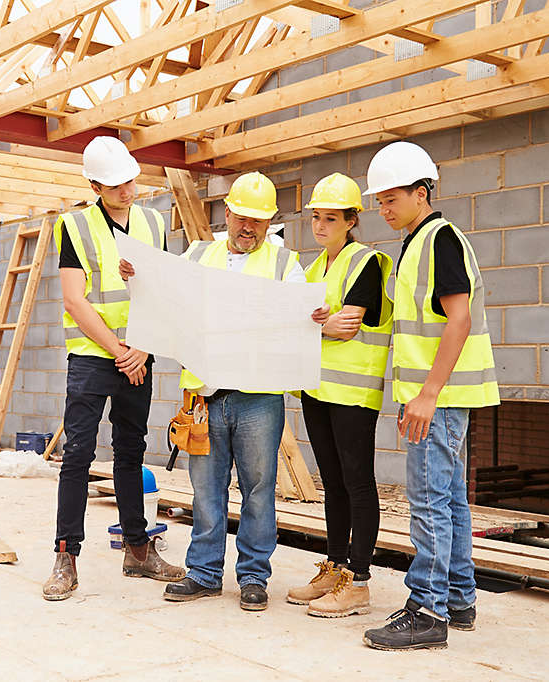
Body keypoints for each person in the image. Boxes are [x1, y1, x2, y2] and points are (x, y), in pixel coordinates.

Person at [124, 172, 306, 611]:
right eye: (243, 218)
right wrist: (137, 280)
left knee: (258, 488)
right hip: (203, 396)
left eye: (259, 222)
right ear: (227, 214)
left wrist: (313, 316)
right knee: (206, 490)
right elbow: (166, 301)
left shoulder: (285, 265)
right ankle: (204, 573)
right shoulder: (197, 254)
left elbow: (300, 319)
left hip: (258, 397)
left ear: (269, 224)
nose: (250, 228)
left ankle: (253, 578)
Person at [359, 142, 500, 650]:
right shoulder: (418, 242)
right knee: (448, 500)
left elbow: (458, 319)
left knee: (429, 503)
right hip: (434, 396)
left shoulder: (439, 239)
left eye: (391, 198)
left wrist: (427, 394)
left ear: (422, 193)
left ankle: (427, 610)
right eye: (379, 201)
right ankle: (458, 599)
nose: (383, 209)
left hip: (436, 398)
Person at [42, 136, 185, 601]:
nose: (127, 189)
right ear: (94, 185)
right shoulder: (74, 226)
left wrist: (140, 349)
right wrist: (119, 349)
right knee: (79, 455)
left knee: (131, 452)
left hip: (138, 355)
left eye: (130, 179)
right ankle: (67, 556)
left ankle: (138, 550)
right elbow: (73, 298)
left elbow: (163, 290)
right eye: (115, 184)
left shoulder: (153, 221)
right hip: (92, 355)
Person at [285, 173, 393, 618]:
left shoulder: (366, 262)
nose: (321, 225)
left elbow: (347, 326)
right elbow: (300, 323)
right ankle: (335, 566)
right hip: (317, 388)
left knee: (357, 482)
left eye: (331, 218)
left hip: (353, 392)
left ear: (352, 220)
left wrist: (314, 324)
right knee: (332, 483)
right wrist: (314, 323)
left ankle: (360, 581)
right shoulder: (314, 269)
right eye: (316, 218)